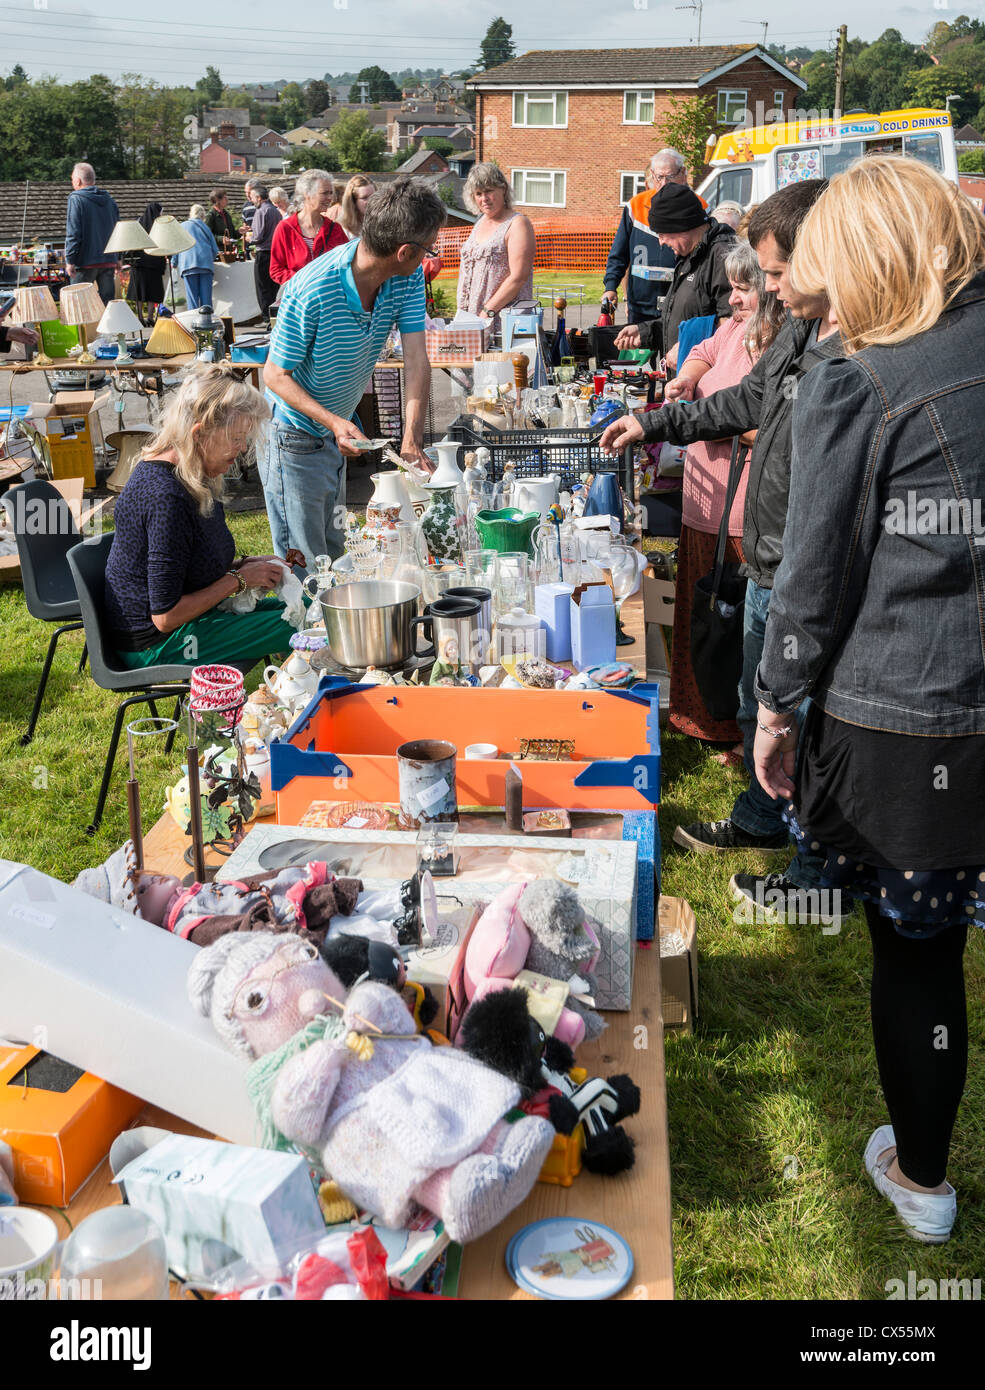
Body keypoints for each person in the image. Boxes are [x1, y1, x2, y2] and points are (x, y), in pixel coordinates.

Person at [754, 156, 985, 1244]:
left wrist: (773, 703)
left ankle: (924, 1179)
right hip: (931, 710)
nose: (824, 303)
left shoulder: (864, 376)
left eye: (831, 275)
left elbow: (813, 575)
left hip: (911, 720)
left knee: (917, 953)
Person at [601, 181, 837, 921]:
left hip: (808, 560)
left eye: (773, 273)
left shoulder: (860, 345)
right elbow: (741, 403)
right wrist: (656, 421)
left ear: (822, 256)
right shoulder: (801, 330)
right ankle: (761, 821)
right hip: (768, 553)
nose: (764, 289)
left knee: (804, 719)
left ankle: (812, 878)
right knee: (755, 693)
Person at [260, 178, 442, 566]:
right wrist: (333, 422)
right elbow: (274, 376)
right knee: (306, 564)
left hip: (332, 427)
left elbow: (416, 359)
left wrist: (411, 438)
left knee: (338, 554)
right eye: (427, 249)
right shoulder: (312, 289)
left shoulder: (407, 276)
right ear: (405, 250)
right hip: (293, 433)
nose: (429, 257)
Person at [661, 240, 784, 746]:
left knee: (734, 630)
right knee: (702, 615)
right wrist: (686, 382)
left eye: (744, 288)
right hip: (702, 503)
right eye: (730, 287)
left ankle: (737, 732)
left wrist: (714, 423)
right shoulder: (734, 329)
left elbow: (776, 428)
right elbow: (702, 352)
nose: (731, 299)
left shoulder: (780, 346)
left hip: (741, 514)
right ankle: (697, 719)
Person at [104, 364, 300, 669]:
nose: (242, 448)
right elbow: (165, 616)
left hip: (187, 623)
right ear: (200, 433)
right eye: (236, 439)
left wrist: (245, 567)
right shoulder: (165, 496)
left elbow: (185, 567)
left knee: (314, 609)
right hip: (155, 646)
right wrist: (239, 579)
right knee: (309, 625)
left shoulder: (189, 476)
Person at [615, 183, 736, 369]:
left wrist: (687, 347)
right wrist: (645, 331)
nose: (661, 242)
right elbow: (683, 319)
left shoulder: (722, 256)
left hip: (705, 381)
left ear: (682, 226)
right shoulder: (688, 255)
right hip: (683, 376)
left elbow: (735, 322)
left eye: (663, 234)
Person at [602, 149, 684, 326]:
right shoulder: (635, 207)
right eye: (659, 177)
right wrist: (610, 287)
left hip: (680, 307)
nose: (664, 183)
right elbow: (619, 253)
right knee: (637, 353)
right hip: (640, 307)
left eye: (669, 177)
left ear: (683, 175)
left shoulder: (698, 207)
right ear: (652, 176)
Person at [457, 162, 535, 332]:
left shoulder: (517, 224)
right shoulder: (480, 222)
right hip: (474, 319)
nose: (483, 199)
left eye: (489, 191)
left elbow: (518, 277)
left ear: (503, 190)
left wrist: (488, 311)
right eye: (478, 193)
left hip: (504, 321)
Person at [270, 169, 347, 286]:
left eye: (331, 193)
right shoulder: (285, 228)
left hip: (329, 299)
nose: (330, 198)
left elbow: (346, 265)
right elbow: (276, 270)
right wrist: (304, 281)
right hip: (299, 299)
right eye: (325, 193)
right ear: (307, 194)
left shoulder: (335, 229)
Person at [64, 162, 120, 304]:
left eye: (72, 180)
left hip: (85, 262)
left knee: (78, 305)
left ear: (78, 181)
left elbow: (74, 232)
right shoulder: (110, 200)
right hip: (108, 261)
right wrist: (118, 257)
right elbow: (118, 230)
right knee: (108, 305)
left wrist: (70, 260)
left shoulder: (76, 199)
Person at [173, 205, 219, 311]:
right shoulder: (206, 228)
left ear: (191, 213)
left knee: (192, 298)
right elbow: (215, 249)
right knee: (206, 298)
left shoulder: (182, 226)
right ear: (203, 215)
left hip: (188, 265)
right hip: (205, 265)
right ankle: (207, 322)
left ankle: (193, 322)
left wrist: (174, 262)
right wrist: (208, 259)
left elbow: (177, 246)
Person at [246, 181, 280, 323]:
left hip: (264, 253)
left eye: (252, 197)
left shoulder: (261, 211)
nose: (252, 200)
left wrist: (249, 238)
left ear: (259, 198)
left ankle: (266, 318)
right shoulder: (276, 211)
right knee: (274, 287)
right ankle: (274, 317)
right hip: (275, 252)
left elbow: (258, 236)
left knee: (263, 288)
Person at [128, 202, 165, 326]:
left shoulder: (139, 224)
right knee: (152, 293)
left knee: (140, 292)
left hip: (139, 264)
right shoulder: (159, 227)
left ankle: (139, 317)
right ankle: (150, 318)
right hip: (155, 264)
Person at [337, 175, 376, 239]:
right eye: (364, 198)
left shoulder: (381, 224)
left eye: (373, 196)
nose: (371, 200)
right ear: (353, 201)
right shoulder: (343, 230)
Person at [206, 188, 238, 254]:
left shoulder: (227, 215)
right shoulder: (210, 216)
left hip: (228, 253)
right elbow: (207, 236)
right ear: (218, 200)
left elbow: (232, 235)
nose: (227, 199)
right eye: (225, 197)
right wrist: (221, 239)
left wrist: (240, 231)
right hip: (216, 253)